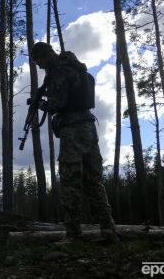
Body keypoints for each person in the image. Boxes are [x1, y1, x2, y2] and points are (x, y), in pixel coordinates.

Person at [30, 42, 118, 243]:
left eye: (39, 60)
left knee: (70, 182)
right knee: (94, 181)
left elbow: (57, 104)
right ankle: (108, 230)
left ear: (47, 54)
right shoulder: (74, 66)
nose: (39, 65)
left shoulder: (58, 71)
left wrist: (39, 103)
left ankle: (73, 234)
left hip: (73, 131)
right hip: (88, 128)